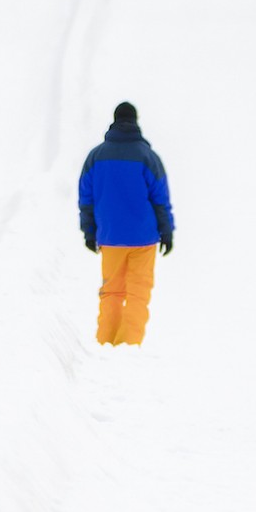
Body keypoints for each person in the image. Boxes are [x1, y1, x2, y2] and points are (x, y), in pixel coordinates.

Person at [78, 102, 175, 347]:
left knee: (111, 292)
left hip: (110, 237)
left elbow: (86, 199)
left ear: (114, 120)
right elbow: (160, 199)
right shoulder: (148, 157)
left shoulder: (95, 156)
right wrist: (167, 231)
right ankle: (129, 343)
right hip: (144, 238)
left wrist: (89, 232)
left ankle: (104, 341)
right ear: (135, 121)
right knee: (138, 293)